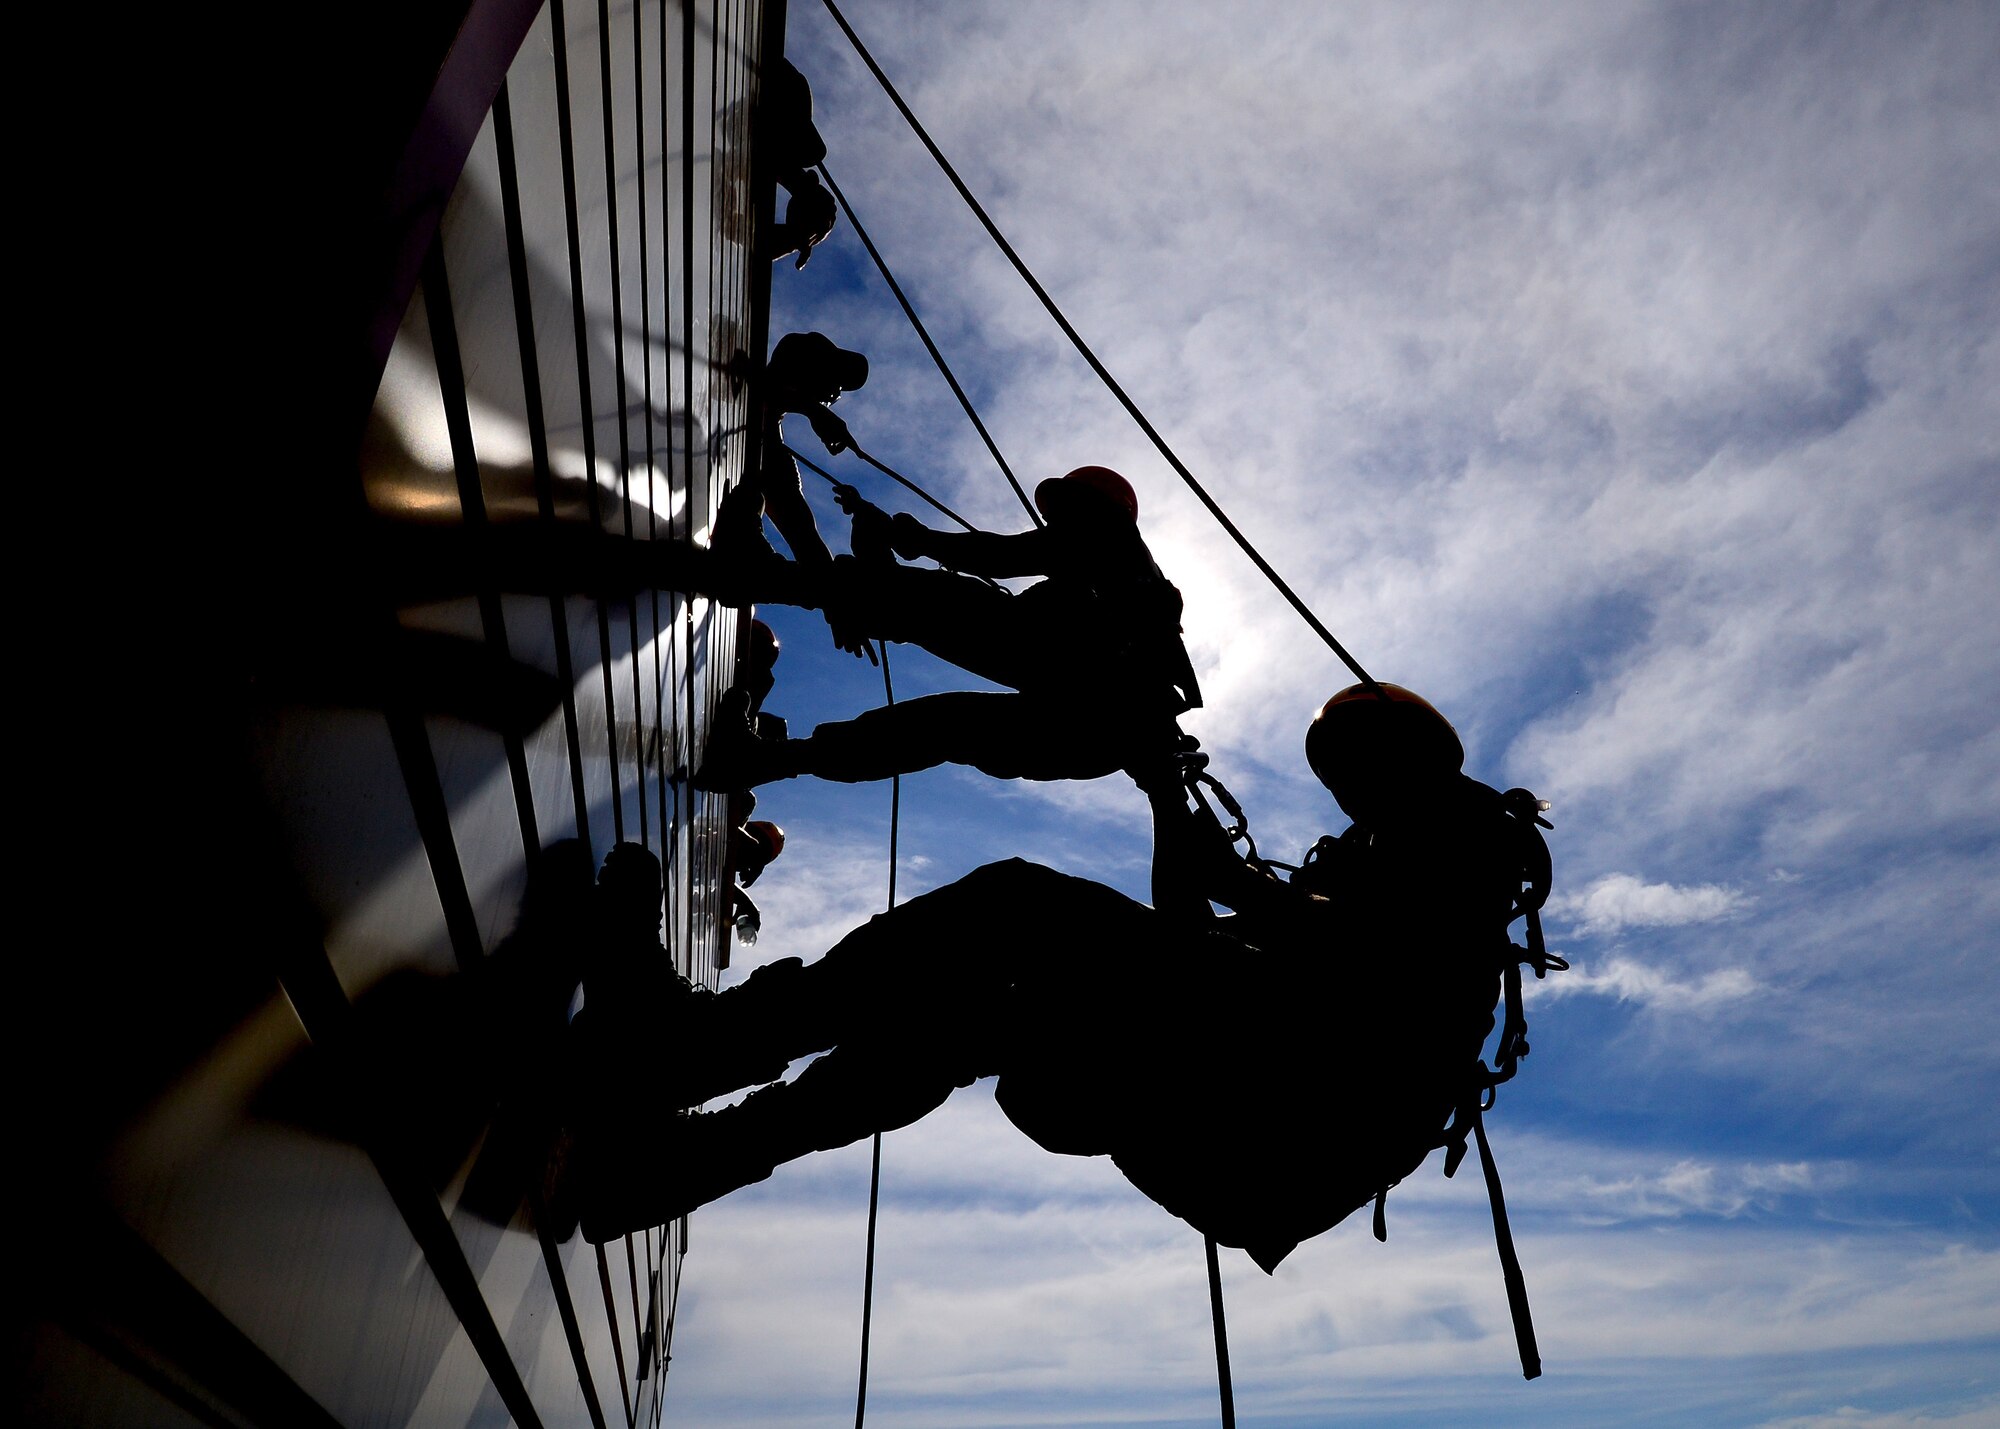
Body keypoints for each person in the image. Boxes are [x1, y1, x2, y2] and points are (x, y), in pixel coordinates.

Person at [569, 684, 1555, 1273]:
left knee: (1013, 902)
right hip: (1255, 1122)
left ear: (1395, 760)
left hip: (1282, 1119)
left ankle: (687, 1050)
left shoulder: (1464, 838)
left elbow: (1370, 965)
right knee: (975, 1016)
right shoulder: (1389, 855)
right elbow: (1188, 930)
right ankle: (671, 1166)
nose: (1341, 798)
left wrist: (1246, 892)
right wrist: (1168, 798)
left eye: (1348, 771)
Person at [693, 464, 1203, 791]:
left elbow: (1000, 558)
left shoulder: (1108, 544)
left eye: (1067, 506)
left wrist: (913, 538)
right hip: (1094, 721)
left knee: (943, 642)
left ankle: (765, 575)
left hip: (1092, 711)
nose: (1055, 520)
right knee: (938, 719)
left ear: (1097, 507)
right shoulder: (1118, 596)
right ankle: (760, 760)